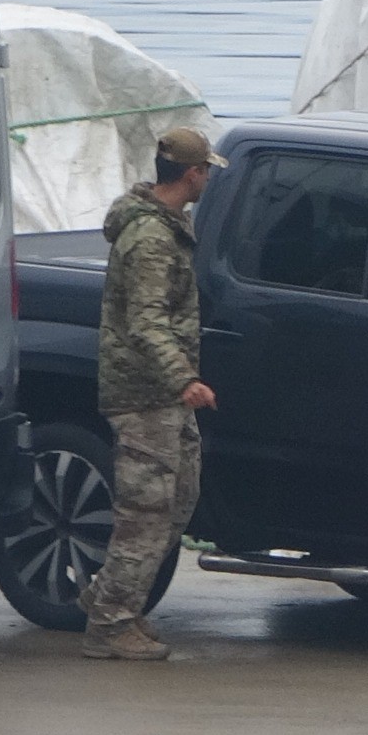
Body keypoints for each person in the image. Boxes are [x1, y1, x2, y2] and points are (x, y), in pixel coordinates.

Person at [78, 126, 221, 661]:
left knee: (178, 500)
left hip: (163, 397)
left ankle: (110, 599)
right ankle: (109, 624)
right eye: (206, 171)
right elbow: (146, 321)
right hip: (144, 396)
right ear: (192, 174)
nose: (208, 179)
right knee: (146, 512)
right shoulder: (151, 240)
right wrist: (184, 379)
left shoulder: (166, 227)